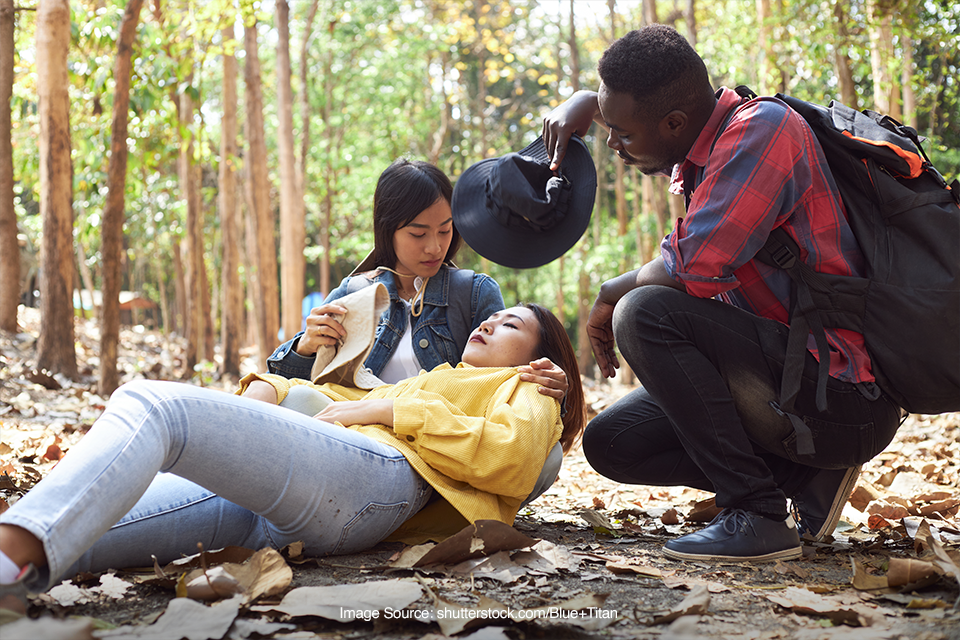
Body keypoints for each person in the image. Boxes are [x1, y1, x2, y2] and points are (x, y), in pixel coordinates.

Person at [542, 25, 901, 562]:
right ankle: (806, 478)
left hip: (841, 393)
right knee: (613, 443)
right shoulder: (702, 140)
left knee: (641, 312)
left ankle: (757, 514)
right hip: (787, 378)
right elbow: (646, 118)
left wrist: (611, 291)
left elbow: (693, 263)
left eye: (622, 133)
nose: (612, 144)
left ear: (674, 123)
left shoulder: (763, 131)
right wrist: (583, 101)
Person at [0, 303, 585, 609]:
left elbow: (512, 460)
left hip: (381, 480)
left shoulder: (531, 386)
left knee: (155, 405)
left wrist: (391, 412)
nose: (488, 322)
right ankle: (12, 563)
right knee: (83, 532)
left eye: (509, 323)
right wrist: (272, 388)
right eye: (491, 317)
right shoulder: (439, 378)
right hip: (304, 501)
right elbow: (342, 400)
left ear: (540, 353)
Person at [265, 157, 568, 397]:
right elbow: (285, 384)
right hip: (358, 436)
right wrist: (305, 347)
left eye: (445, 230)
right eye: (418, 234)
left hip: (439, 440)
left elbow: (508, 382)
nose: (435, 247)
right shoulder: (353, 293)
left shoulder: (474, 294)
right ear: (387, 230)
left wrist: (549, 381)